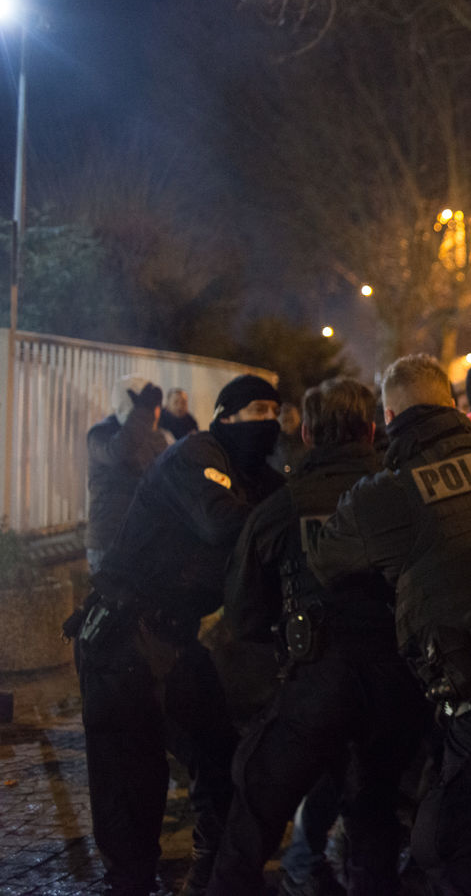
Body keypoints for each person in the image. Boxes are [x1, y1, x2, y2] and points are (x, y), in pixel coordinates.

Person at [305, 354, 471, 896]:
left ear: (388, 417)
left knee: (457, 850)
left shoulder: (386, 494)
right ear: (453, 405)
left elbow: (327, 561)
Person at [207, 378, 428, 896]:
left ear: (306, 434)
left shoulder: (280, 508)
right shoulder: (407, 494)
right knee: (374, 818)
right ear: (371, 430)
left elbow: (242, 614)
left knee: (256, 807)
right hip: (396, 682)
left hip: (315, 683)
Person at [73, 374, 283, 896]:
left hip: (174, 638)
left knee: (219, 754)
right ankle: (131, 884)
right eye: (257, 410)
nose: (269, 422)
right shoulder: (195, 455)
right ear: (226, 416)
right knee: (132, 783)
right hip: (123, 637)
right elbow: (221, 522)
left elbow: (290, 513)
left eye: (275, 412)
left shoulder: (253, 475)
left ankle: (210, 868)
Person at [85, 376, 167, 573]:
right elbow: (118, 451)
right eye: (147, 405)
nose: (154, 411)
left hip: (142, 538)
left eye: (153, 406)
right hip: (109, 540)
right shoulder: (101, 433)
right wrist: (143, 414)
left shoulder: (151, 434)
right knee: (108, 593)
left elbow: (163, 475)